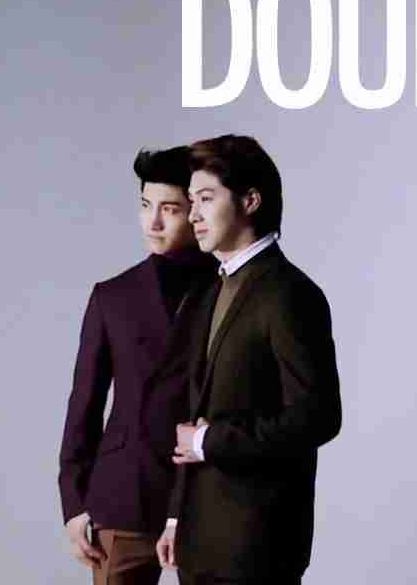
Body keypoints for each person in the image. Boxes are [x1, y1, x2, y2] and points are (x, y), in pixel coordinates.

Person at [156, 134, 342, 585]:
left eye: (205, 199)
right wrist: (177, 516)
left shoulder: (290, 293)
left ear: (250, 201)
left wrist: (211, 441)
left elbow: (318, 417)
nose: (193, 215)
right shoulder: (210, 291)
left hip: (257, 546)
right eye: (191, 201)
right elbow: (194, 416)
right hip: (199, 543)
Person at [58, 146, 216, 585]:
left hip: (205, 498)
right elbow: (84, 404)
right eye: (146, 206)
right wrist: (74, 503)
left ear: (196, 210)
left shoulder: (227, 291)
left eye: (170, 209)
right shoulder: (112, 296)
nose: (153, 223)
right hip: (124, 496)